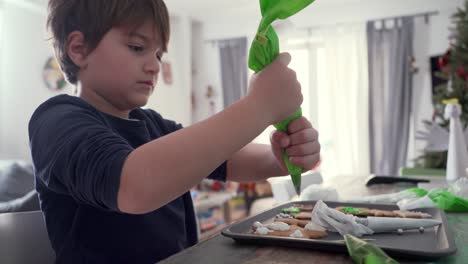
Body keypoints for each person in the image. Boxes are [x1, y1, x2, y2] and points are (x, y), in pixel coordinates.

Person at [28, 0, 321, 263]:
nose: (154, 66)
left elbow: (224, 157)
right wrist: (259, 106)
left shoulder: (152, 124)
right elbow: (133, 186)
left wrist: (279, 156)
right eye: (137, 47)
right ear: (79, 49)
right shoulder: (57, 120)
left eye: (158, 54)